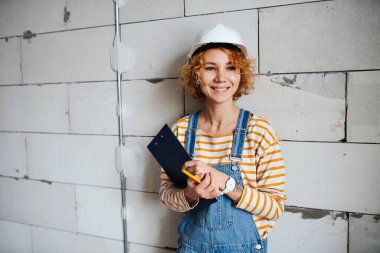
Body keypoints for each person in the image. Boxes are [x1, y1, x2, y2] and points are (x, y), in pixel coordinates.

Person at [159, 23, 286, 253]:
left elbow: (274, 207)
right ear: (196, 74)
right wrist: (190, 194)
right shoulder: (180, 131)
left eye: (230, 67)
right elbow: (166, 195)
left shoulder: (259, 131)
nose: (220, 77)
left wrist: (227, 183)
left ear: (240, 74)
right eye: (210, 68)